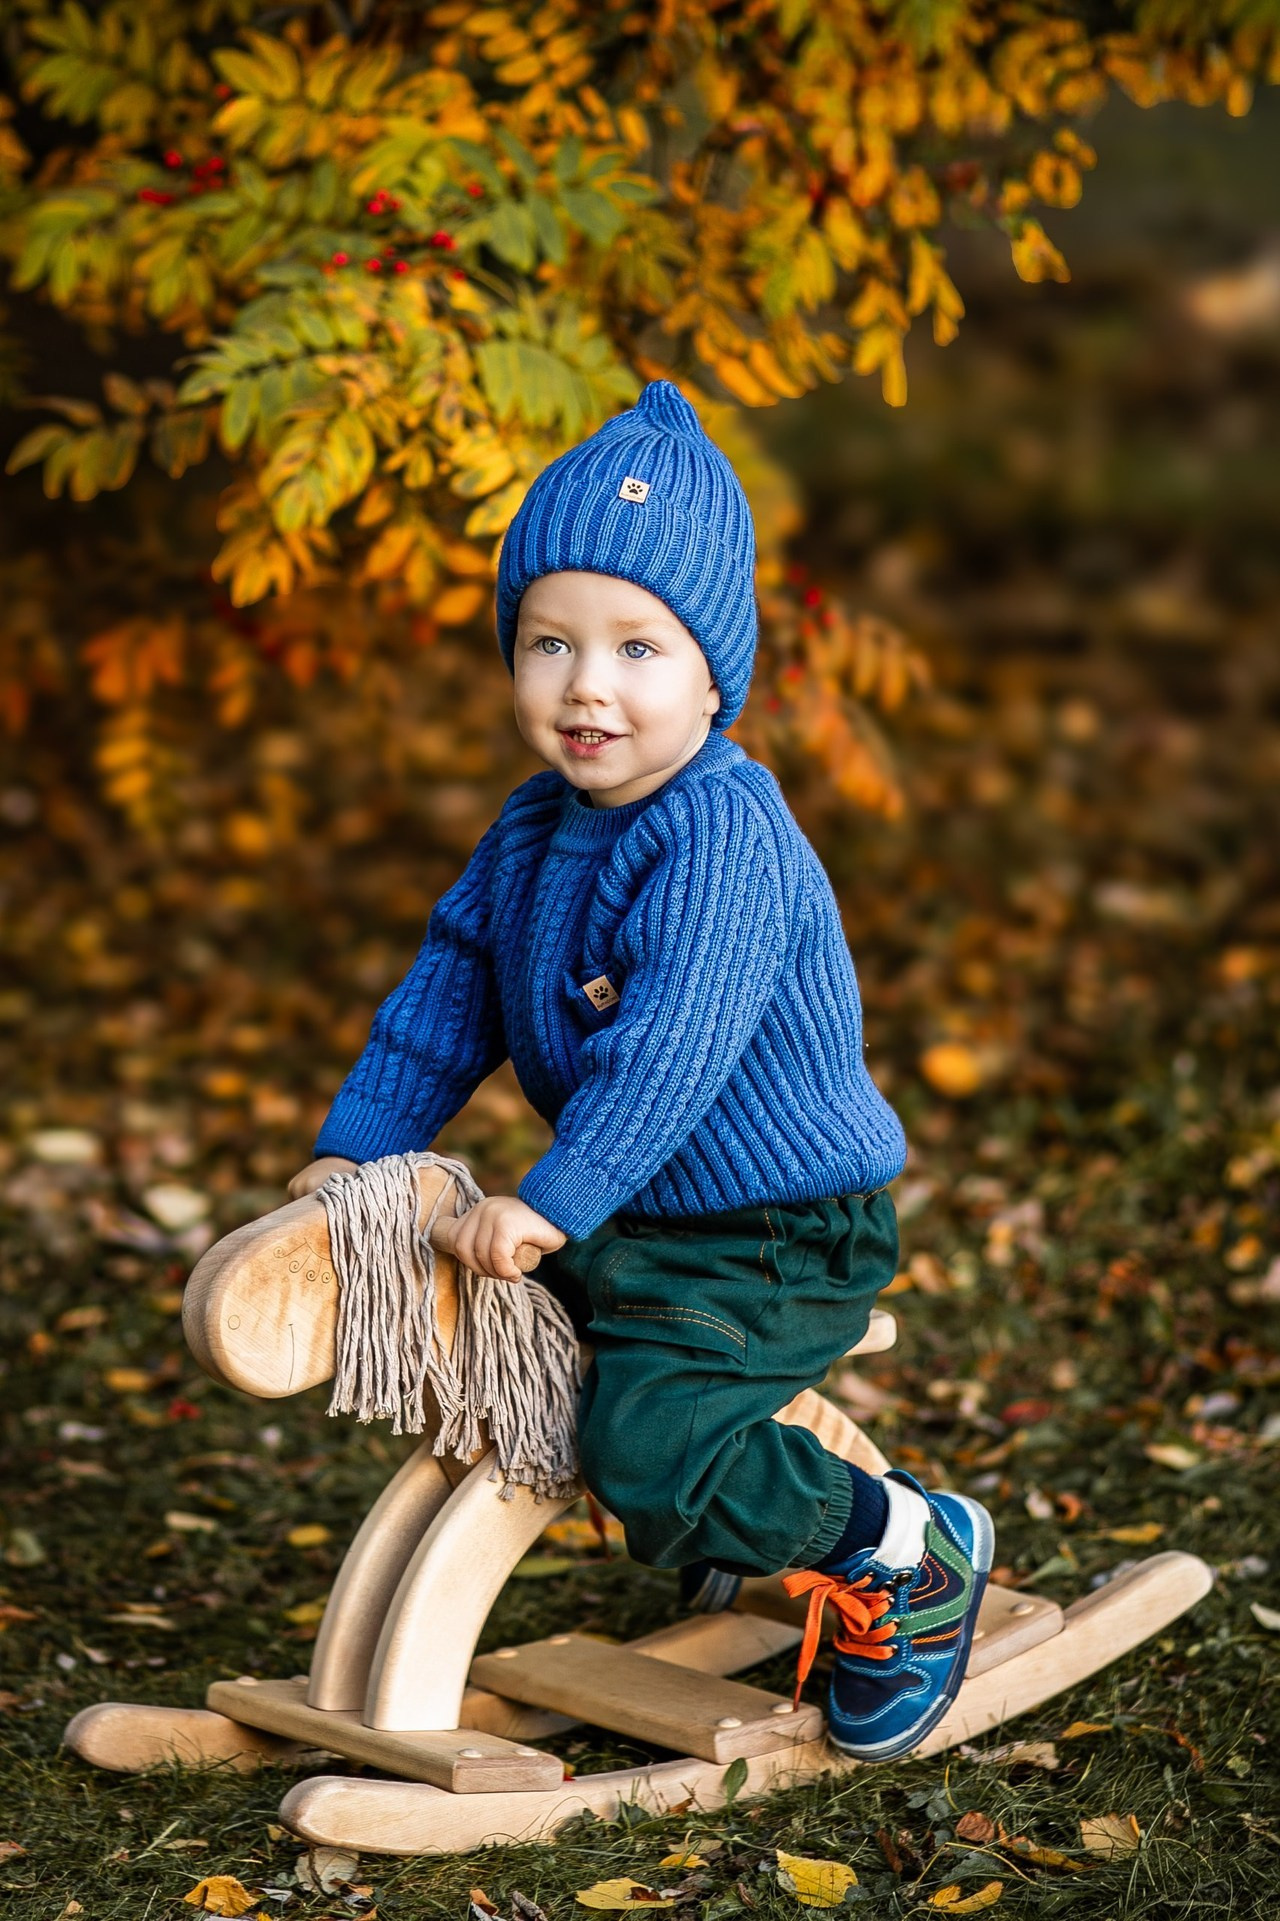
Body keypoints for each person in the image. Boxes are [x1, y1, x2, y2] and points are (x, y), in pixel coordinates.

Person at [286, 379, 993, 1761]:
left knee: (649, 1440)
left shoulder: (722, 832)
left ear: (713, 672)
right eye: (548, 643)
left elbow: (672, 1048)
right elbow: (447, 991)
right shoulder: (535, 823)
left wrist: (553, 1197)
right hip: (637, 1208)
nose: (586, 686)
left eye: (636, 648)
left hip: (772, 1230)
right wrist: (358, 1146)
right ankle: (732, 1525)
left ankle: (906, 1549)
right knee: (506, 1341)